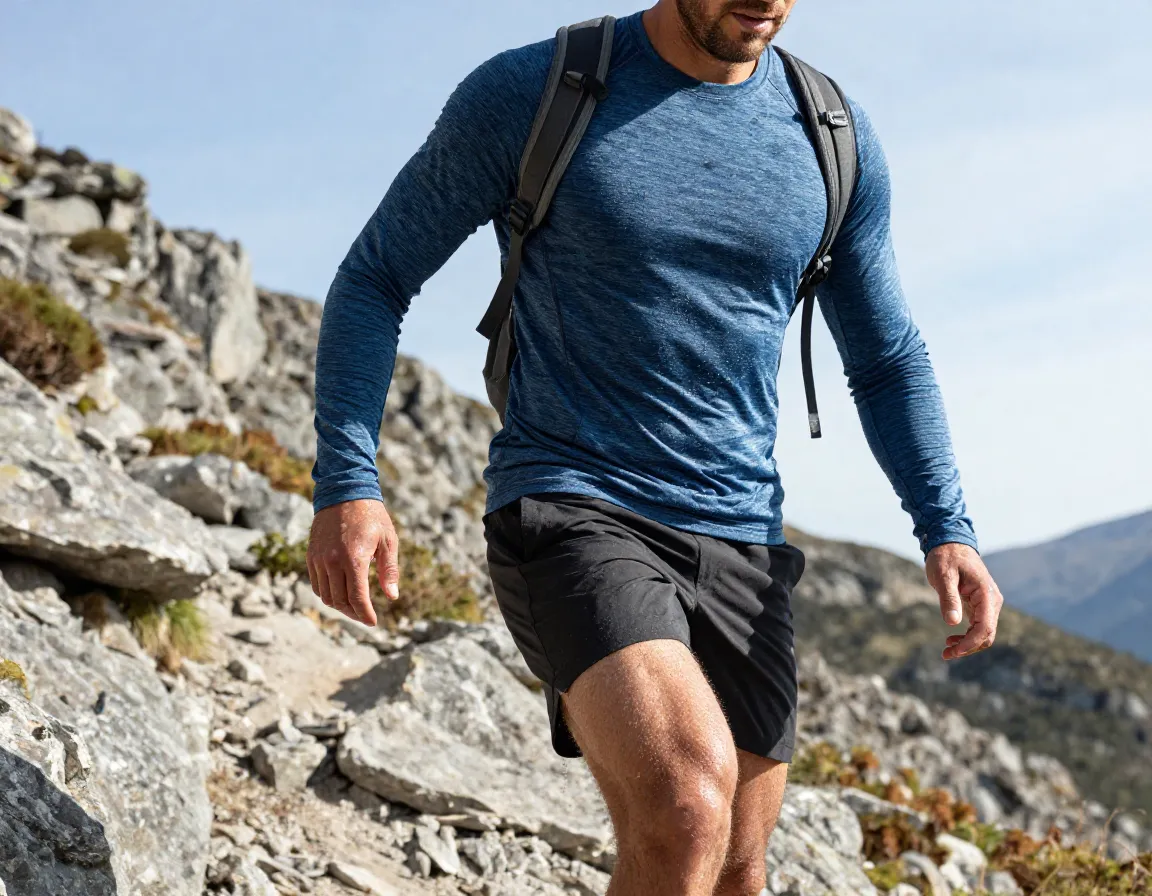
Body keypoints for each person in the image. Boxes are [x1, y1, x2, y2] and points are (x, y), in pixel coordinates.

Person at [307, 1, 1006, 893]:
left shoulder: (832, 134)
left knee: (734, 872)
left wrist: (946, 526)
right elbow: (376, 277)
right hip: (572, 503)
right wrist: (348, 479)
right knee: (685, 808)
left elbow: (886, 356)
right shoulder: (538, 90)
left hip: (742, 533)